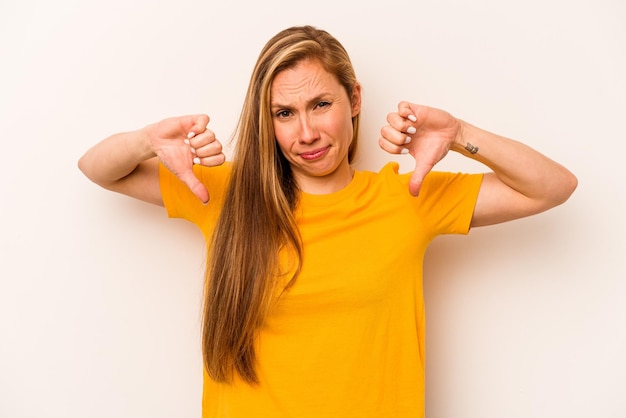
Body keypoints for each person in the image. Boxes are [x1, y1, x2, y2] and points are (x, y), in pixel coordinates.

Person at [78, 25, 577, 418]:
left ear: (353, 100)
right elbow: (99, 168)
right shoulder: (225, 193)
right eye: (284, 113)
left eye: (321, 104)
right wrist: (148, 140)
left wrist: (461, 133)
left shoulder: (406, 197)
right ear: (266, 121)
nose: (307, 132)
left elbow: (552, 186)